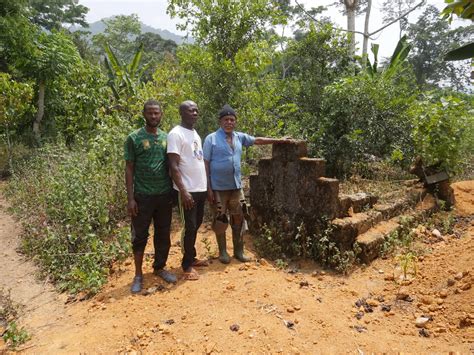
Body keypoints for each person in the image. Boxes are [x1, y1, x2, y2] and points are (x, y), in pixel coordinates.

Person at [203, 104, 291, 264]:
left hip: (236, 187)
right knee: (220, 219)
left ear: (235, 122)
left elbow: (257, 140)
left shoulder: (239, 137)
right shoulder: (211, 139)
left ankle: (239, 251)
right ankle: (223, 252)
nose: (229, 122)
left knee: (239, 218)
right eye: (226, 119)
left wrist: (279, 140)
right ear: (220, 121)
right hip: (218, 188)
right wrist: (208, 188)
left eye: (232, 119)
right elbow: (206, 163)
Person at [124, 99, 177, 294]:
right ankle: (138, 274)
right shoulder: (134, 138)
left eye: (157, 113)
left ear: (161, 115)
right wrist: (131, 198)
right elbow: (129, 169)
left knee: (163, 234)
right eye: (150, 113)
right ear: (144, 115)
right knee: (139, 236)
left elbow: (172, 165)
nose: (153, 116)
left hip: (164, 195)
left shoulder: (166, 137)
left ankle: (160, 267)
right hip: (142, 196)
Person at [167, 100, 209, 281]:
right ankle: (186, 265)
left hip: (200, 188)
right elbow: (173, 166)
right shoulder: (175, 134)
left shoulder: (194, 133)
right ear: (181, 113)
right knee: (189, 226)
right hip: (187, 191)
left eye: (196, 110)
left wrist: (207, 188)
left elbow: (197, 161)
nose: (195, 113)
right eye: (191, 110)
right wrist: (184, 191)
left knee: (197, 224)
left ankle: (191, 257)